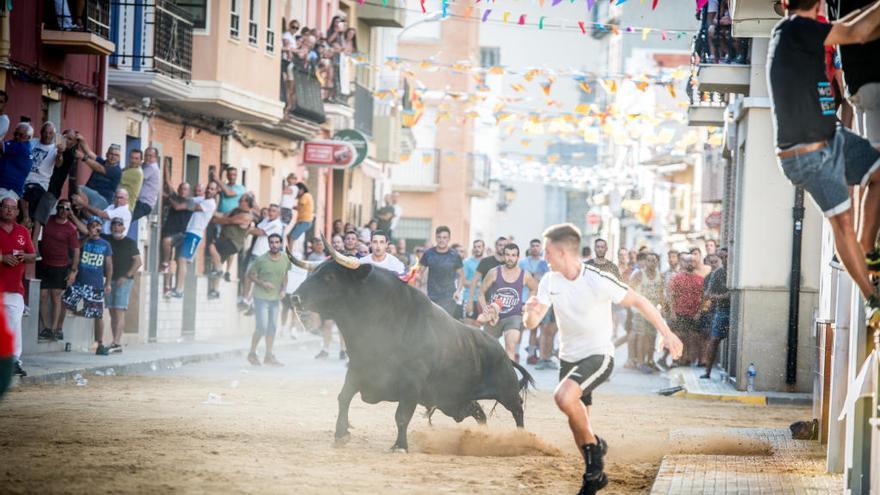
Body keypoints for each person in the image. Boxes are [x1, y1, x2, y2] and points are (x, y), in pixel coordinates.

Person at [522, 223, 682, 495]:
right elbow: (532, 321)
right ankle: (593, 474)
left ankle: (595, 458)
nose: (544, 257)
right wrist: (530, 313)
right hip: (568, 358)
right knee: (578, 422)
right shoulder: (549, 280)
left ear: (562, 252)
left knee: (563, 398)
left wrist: (667, 333)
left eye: (547, 252)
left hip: (599, 355)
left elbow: (640, 301)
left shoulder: (597, 279)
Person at [768, 0, 880, 321]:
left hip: (832, 139)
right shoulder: (798, 30)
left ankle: (867, 249)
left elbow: (851, 23)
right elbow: (857, 33)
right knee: (840, 223)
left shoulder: (797, 31)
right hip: (809, 154)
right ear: (818, 3)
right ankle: (872, 299)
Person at [62, 216, 113, 355]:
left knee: (98, 315)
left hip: (96, 284)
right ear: (88, 227)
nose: (94, 227)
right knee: (65, 302)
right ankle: (58, 330)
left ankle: (100, 344)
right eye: (92, 225)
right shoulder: (82, 240)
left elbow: (109, 266)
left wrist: (108, 283)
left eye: (97, 225)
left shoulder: (105, 245)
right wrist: (87, 236)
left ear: (101, 228)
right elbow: (76, 249)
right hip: (79, 281)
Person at [479, 243, 537, 361]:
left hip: (514, 316)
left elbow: (534, 289)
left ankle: (510, 378)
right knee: (487, 350)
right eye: (507, 255)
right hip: (494, 315)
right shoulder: (494, 272)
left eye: (513, 255)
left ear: (517, 257)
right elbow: (480, 293)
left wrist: (527, 305)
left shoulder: (524, 275)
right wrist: (485, 308)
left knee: (510, 346)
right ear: (503, 256)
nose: (510, 258)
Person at [0, 198, 37, 376]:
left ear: (17, 212)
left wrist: (25, 255)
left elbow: (33, 255)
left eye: (12, 208)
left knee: (14, 325)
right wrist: (2, 258)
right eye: (6, 207)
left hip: (15, 288)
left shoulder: (22, 231)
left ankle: (14, 361)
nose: (9, 211)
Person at [37, 199, 81, 342]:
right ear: (57, 209)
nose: (63, 211)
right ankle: (46, 328)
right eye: (61, 207)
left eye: (67, 209)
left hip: (60, 266)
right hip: (44, 263)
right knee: (42, 296)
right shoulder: (47, 220)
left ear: (70, 212)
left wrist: (73, 270)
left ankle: (55, 328)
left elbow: (76, 251)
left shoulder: (71, 228)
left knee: (56, 297)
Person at [167, 181, 219, 298]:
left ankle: (179, 290)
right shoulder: (202, 199)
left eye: (212, 189)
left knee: (182, 259)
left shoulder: (210, 203)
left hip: (194, 234)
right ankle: (177, 287)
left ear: (215, 192)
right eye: (208, 188)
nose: (209, 190)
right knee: (180, 259)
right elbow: (186, 199)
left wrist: (170, 198)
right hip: (188, 232)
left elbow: (181, 206)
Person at [246, 234, 290, 366]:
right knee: (262, 327)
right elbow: (250, 275)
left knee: (272, 327)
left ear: (281, 244)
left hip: (275, 298)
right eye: (272, 242)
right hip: (260, 297)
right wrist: (262, 283)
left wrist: (284, 290)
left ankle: (268, 356)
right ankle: (252, 353)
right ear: (268, 244)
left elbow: (285, 275)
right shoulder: (261, 260)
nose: (274, 245)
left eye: (277, 242)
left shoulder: (285, 258)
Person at [101, 217, 142, 353]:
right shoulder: (107, 240)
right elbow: (88, 231)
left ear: (124, 228)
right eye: (113, 225)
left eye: (119, 225)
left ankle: (117, 342)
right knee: (112, 311)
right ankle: (115, 342)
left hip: (124, 281)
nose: (116, 228)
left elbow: (138, 262)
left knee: (119, 311)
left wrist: (126, 276)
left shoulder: (130, 242)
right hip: (109, 280)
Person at [207, 194, 254, 299]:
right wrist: (211, 211)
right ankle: (215, 290)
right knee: (217, 262)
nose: (239, 202)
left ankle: (219, 271)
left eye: (241, 200)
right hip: (226, 240)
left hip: (233, 243)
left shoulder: (247, 216)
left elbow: (229, 220)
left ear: (247, 203)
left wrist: (214, 221)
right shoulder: (236, 210)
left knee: (211, 246)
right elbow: (224, 215)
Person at [628, 252, 665, 373]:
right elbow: (630, 289)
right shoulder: (639, 274)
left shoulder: (660, 276)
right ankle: (640, 362)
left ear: (657, 262)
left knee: (652, 336)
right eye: (649, 260)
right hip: (640, 311)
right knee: (642, 335)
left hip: (653, 311)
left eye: (654, 261)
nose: (651, 263)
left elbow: (660, 294)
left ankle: (650, 360)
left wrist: (663, 308)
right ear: (645, 262)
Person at [417, 226, 465, 316]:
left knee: (445, 324)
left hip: (449, 296)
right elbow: (419, 273)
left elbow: (462, 276)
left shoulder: (454, 255)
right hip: (432, 296)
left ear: (449, 239)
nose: (441, 240)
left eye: (444, 237)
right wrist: (418, 289)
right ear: (435, 237)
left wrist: (458, 291)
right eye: (439, 237)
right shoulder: (428, 254)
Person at [22, 122, 61, 230]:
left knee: (31, 195)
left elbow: (58, 163)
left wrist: (60, 154)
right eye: (45, 132)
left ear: (53, 135)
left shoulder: (55, 148)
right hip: (24, 179)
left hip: (40, 183)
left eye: (50, 133)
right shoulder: (33, 142)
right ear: (41, 132)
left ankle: (27, 222)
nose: (47, 135)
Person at [668, 254, 704, 366]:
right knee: (679, 337)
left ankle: (688, 359)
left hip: (694, 314)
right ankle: (676, 359)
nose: (690, 264)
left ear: (696, 263)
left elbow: (703, 298)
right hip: (679, 312)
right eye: (688, 261)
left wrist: (699, 312)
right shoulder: (677, 278)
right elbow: (672, 296)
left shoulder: (700, 279)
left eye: (692, 261)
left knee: (692, 338)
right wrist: (672, 312)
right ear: (683, 263)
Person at [520, 238, 550, 365]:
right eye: (533, 245)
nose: (535, 248)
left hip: (542, 300)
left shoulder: (545, 263)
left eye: (537, 245)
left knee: (540, 329)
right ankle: (522, 353)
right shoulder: (522, 263)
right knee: (523, 327)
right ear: (530, 247)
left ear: (541, 248)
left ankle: (533, 353)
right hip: (525, 298)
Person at [701, 248, 729, 379]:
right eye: (722, 258)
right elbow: (707, 295)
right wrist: (723, 297)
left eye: (726, 257)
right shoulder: (717, 273)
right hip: (722, 310)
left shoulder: (738, 272)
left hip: (738, 310)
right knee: (714, 340)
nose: (725, 261)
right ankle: (707, 372)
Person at [467, 237, 508, 317]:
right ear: (496, 246)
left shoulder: (509, 264)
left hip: (505, 303)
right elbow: (474, 281)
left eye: (505, 245)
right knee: (485, 327)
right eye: (500, 245)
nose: (502, 247)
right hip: (485, 302)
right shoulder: (486, 261)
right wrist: (470, 301)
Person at [78, 143, 122, 210]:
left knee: (79, 188)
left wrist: (83, 157)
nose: (113, 157)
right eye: (111, 154)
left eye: (116, 155)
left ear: (119, 158)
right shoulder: (102, 162)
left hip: (103, 200)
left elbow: (99, 168)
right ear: (106, 154)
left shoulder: (117, 171)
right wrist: (81, 139)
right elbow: (88, 152)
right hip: (91, 195)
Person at [0, 122, 34, 202]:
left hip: (8, 189)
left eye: (21, 135)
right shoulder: (16, 144)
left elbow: (1, 146)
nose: (17, 137)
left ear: (28, 137)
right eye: (15, 134)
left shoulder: (22, 147)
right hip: (7, 188)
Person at [461, 239, 485, 323]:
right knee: (468, 326)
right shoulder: (467, 262)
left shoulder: (487, 262)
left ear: (483, 248)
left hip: (483, 300)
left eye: (479, 247)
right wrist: (477, 284)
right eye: (475, 247)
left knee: (480, 327)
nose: (477, 249)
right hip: (469, 298)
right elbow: (463, 281)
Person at [132, 147, 160, 221]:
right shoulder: (146, 165)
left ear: (156, 158)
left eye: (150, 156)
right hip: (141, 202)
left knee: (126, 220)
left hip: (144, 203)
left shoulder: (151, 167)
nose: (147, 158)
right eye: (146, 155)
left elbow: (137, 178)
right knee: (125, 220)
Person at [118, 149, 143, 214]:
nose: (133, 161)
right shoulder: (129, 168)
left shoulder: (136, 172)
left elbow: (115, 176)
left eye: (136, 158)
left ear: (141, 161)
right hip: (120, 206)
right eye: (132, 158)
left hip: (125, 208)